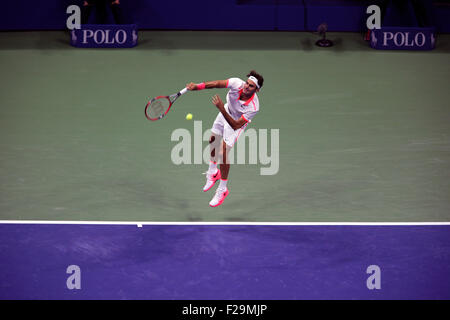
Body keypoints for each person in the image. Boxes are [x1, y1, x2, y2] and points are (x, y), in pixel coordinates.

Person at [186, 71, 264, 207]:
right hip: (226, 111)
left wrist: (221, 108)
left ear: (257, 90)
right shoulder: (236, 83)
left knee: (223, 154)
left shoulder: (254, 107)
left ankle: (222, 189)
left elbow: (234, 125)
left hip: (236, 123)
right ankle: (212, 172)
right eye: (247, 83)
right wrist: (197, 87)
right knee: (212, 140)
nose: (246, 86)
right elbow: (216, 84)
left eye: (251, 86)